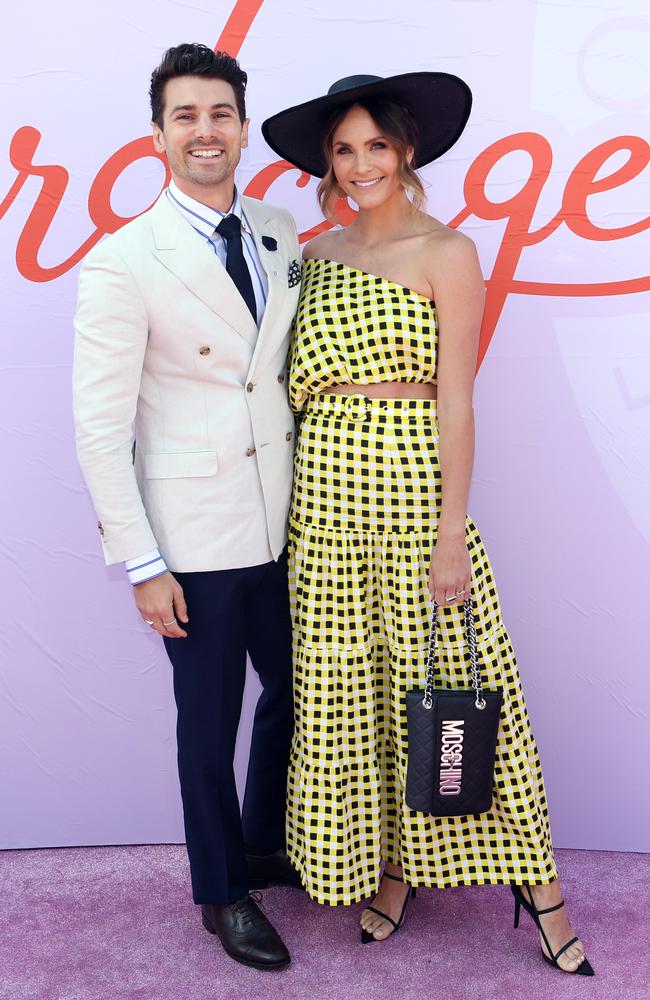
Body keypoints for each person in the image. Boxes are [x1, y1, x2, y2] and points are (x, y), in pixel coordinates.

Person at [262, 73, 593, 975]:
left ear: (406, 151)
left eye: (376, 144)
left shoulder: (448, 250)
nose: (361, 162)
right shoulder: (313, 251)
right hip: (324, 507)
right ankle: (393, 873)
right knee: (356, 695)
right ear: (326, 164)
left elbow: (457, 403)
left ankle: (542, 889)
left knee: (451, 690)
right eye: (344, 148)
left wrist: (453, 530)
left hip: (412, 497)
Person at [73, 43, 303, 971]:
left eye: (220, 115)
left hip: (287, 523)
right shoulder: (125, 259)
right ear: (159, 134)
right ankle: (221, 892)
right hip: (192, 539)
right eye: (185, 116)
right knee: (205, 721)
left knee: (295, 694)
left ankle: (260, 841)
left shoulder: (281, 230)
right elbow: (99, 429)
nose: (204, 131)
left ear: (242, 129)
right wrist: (142, 562)